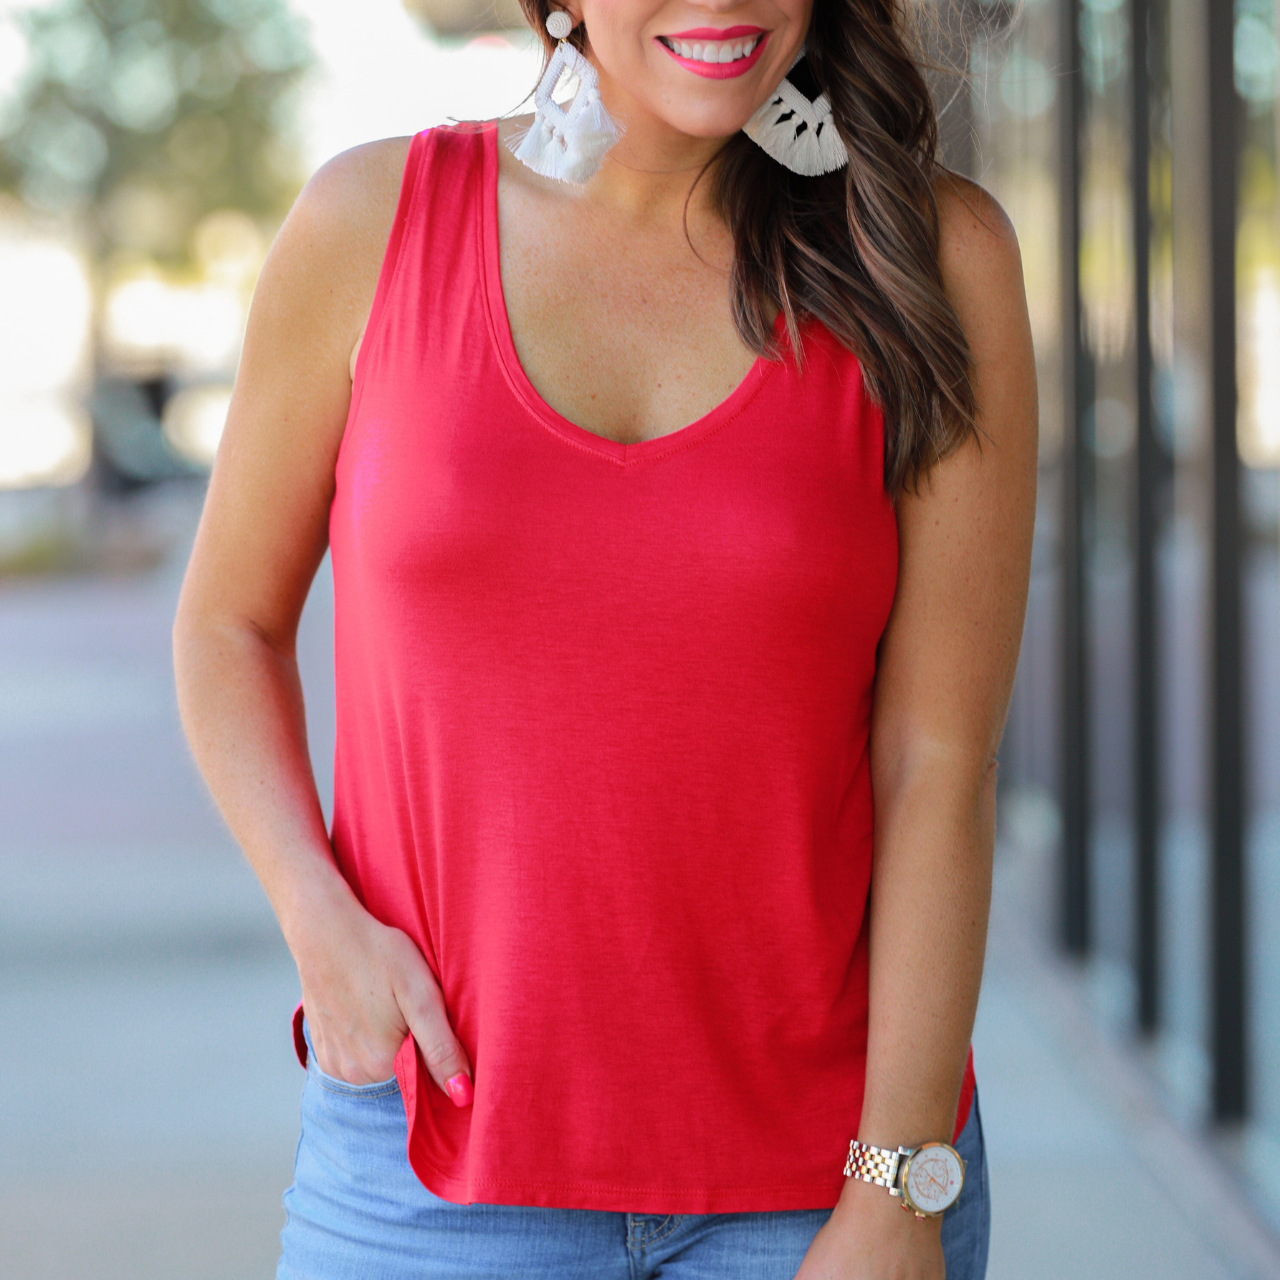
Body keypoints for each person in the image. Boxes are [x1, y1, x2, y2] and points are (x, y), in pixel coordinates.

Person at [172, 0, 1037, 1275]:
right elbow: (227, 621)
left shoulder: (928, 254)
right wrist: (316, 916)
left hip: (821, 1189)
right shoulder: (369, 225)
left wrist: (894, 1185)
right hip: (429, 1169)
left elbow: (938, 760)